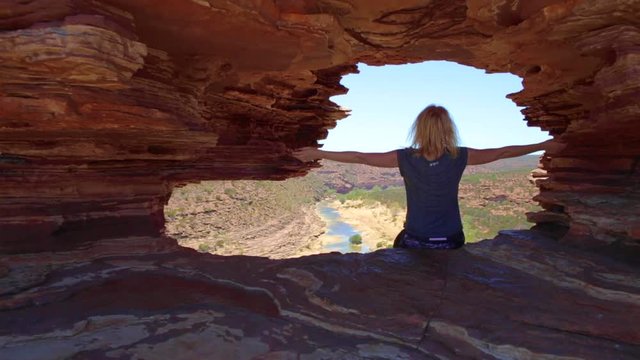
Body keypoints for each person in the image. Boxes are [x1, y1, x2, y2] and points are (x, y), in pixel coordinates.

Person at [292, 105, 563, 250]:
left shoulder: (405, 158)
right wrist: (542, 145)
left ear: (419, 129)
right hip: (452, 239)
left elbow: (360, 157)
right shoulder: (461, 156)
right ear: (448, 129)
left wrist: (317, 152)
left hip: (416, 239)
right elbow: (503, 152)